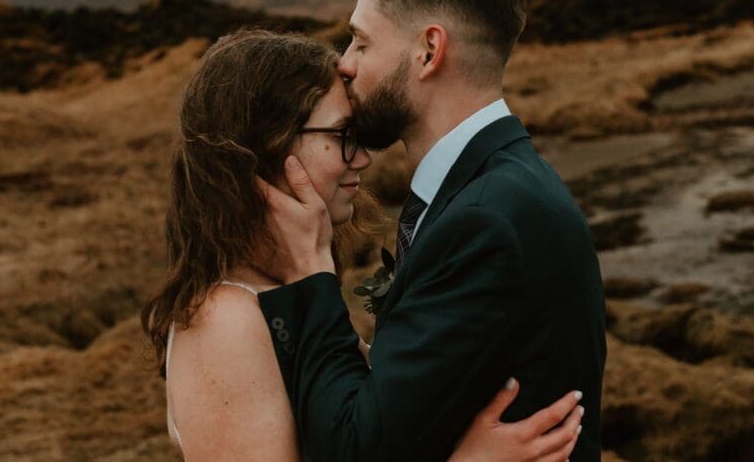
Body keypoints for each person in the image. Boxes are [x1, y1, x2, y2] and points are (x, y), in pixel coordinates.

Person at [141, 29, 585, 461]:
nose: (363, 157)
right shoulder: (226, 320)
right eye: (342, 136)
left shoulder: (285, 288)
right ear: (267, 147)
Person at [256, 0, 607, 462]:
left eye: (362, 41)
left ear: (428, 50)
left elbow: (354, 448)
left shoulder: (485, 221)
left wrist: (310, 274)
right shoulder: (501, 186)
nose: (344, 62)